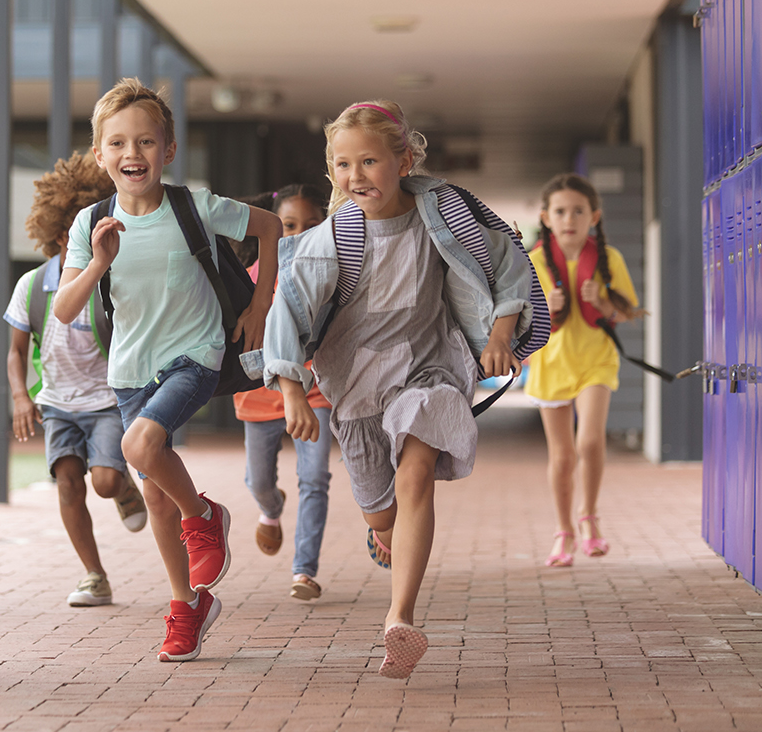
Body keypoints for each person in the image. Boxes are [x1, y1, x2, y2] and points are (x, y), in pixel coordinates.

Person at [263, 100, 542, 679]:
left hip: (429, 369)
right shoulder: (329, 239)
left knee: (416, 472)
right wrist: (291, 389)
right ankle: (384, 531)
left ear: (405, 159)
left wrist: (499, 332)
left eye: (369, 161)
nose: (355, 176)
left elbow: (509, 264)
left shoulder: (446, 216)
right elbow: (285, 309)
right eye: (343, 165)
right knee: (382, 514)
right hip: (357, 390)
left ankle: (400, 618)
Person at [54, 77, 283, 662]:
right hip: (130, 368)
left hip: (196, 354)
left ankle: (205, 517)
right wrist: (98, 262)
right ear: (102, 155)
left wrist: (260, 304)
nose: (133, 154)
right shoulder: (91, 224)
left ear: (169, 149)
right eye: (119, 144)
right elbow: (64, 307)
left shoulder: (194, 206)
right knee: (155, 495)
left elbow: (270, 227)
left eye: (147, 142)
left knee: (140, 444)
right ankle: (188, 605)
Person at [5, 152, 149, 608]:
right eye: (68, 228)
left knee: (103, 481)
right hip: (57, 404)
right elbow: (14, 352)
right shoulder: (32, 286)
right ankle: (94, 575)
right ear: (55, 231)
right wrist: (19, 398)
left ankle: (123, 488)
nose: (76, 236)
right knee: (68, 481)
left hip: (106, 401)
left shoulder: (110, 282)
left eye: (86, 226)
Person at [526, 173, 641, 567]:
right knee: (562, 457)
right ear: (546, 217)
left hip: (596, 359)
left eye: (578, 210)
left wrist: (604, 303)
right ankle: (564, 532)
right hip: (551, 363)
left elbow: (627, 313)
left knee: (590, 442)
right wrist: (548, 306)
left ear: (594, 215)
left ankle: (589, 517)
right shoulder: (535, 261)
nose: (569, 218)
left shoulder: (610, 260)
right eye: (560, 211)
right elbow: (520, 320)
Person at [232, 185, 334, 601]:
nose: (298, 234)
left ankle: (304, 571)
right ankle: (271, 509)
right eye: (288, 225)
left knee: (315, 478)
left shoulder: (331, 273)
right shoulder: (249, 278)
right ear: (269, 230)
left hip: (313, 390)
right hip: (258, 393)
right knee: (259, 482)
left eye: (311, 225)